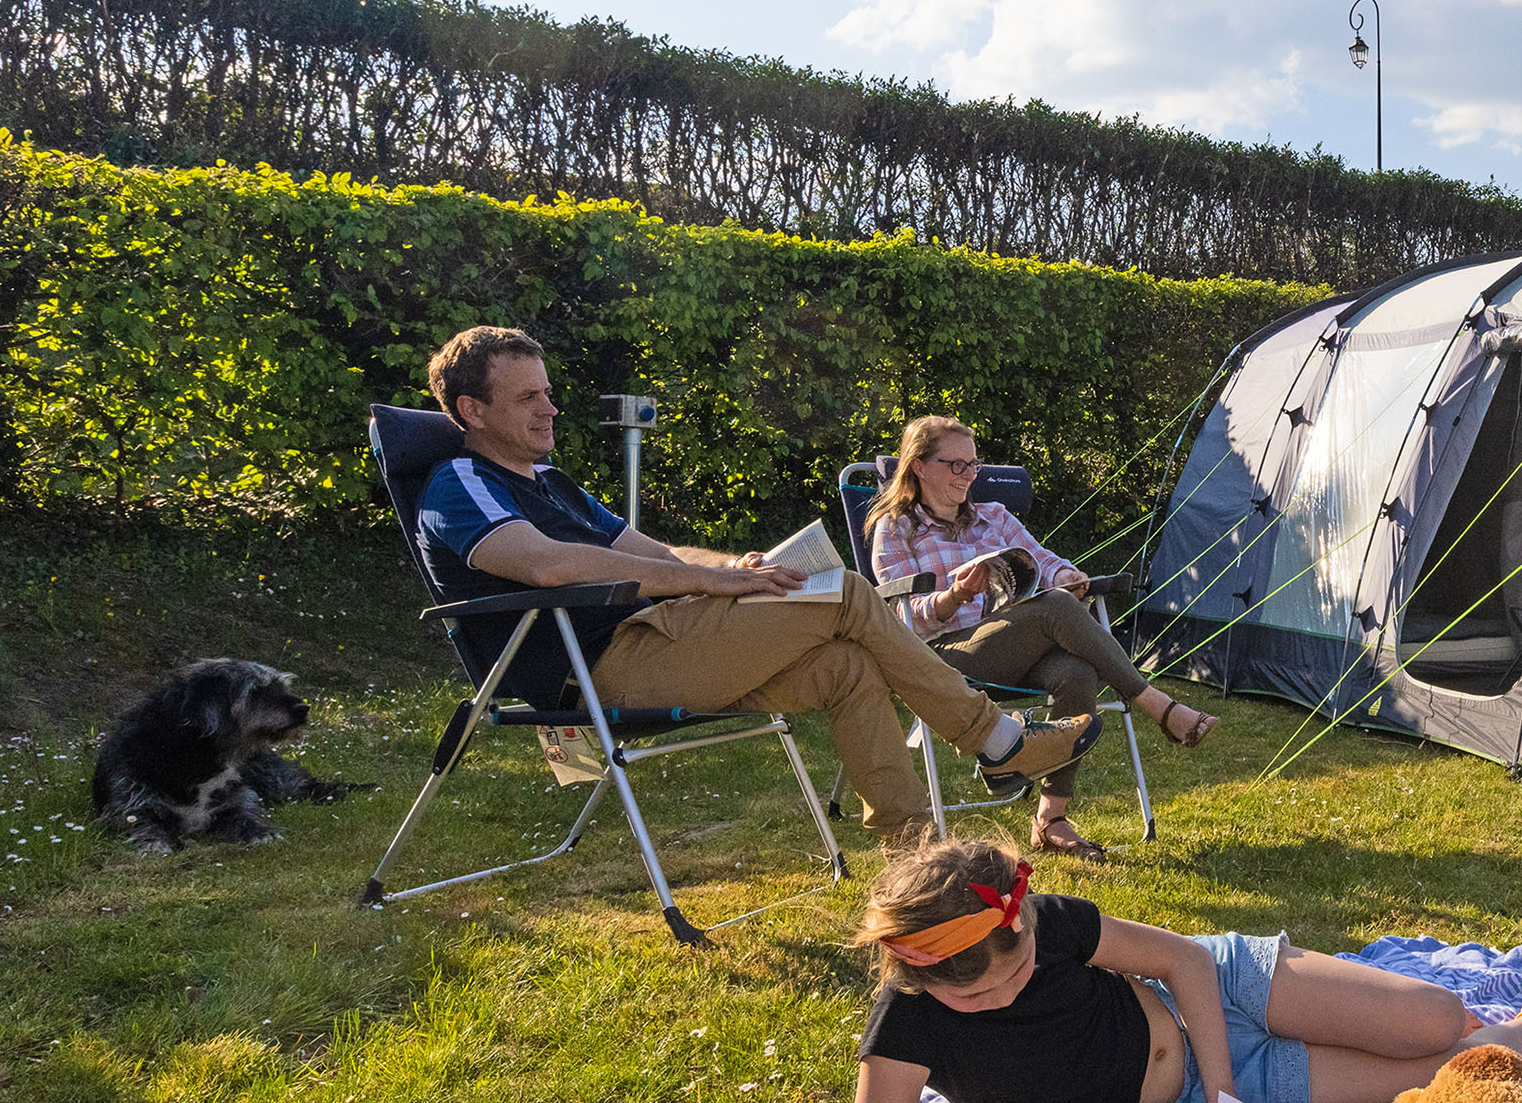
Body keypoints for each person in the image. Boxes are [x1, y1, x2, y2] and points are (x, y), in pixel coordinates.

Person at [412, 327, 1094, 846]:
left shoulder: (554, 484)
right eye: (528, 397)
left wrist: (733, 570)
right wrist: (707, 584)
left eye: (549, 392)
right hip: (599, 666)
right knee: (852, 594)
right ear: (472, 409)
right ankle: (996, 739)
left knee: (848, 667)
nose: (551, 408)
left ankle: (916, 853)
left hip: (666, 642)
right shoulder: (459, 484)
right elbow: (547, 566)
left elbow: (653, 550)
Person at [844, 833, 1522, 1103]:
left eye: (1016, 969)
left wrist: (1228, 1093)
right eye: (978, 997)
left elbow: (1183, 959)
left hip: (1220, 993)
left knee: (1439, 1020)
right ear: (918, 977)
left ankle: (1486, 1006)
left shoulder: (1040, 918)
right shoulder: (907, 1022)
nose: (1006, 992)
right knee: (1438, 1076)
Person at [865, 415, 1217, 863]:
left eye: (973, 466)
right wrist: (955, 595)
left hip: (1012, 645)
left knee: (1077, 670)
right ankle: (1156, 705)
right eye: (956, 465)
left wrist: (1067, 574)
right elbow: (902, 617)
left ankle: (1051, 819)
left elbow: (1045, 561)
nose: (969, 476)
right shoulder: (896, 528)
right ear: (919, 465)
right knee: (1054, 608)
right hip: (945, 658)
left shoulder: (994, 517)